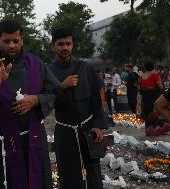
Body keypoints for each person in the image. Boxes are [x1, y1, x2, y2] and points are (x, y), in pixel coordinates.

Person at [0, 19, 59, 189]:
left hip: (33, 138)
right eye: (6, 41)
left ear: (22, 40)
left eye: (15, 41)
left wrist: (36, 100)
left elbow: (54, 91)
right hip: (3, 143)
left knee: (37, 180)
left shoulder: (36, 64)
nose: (12, 45)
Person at [49, 27, 106, 189]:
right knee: (68, 172)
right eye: (60, 44)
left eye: (68, 44)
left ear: (73, 45)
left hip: (89, 129)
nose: (65, 48)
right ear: (53, 46)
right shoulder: (48, 72)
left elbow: (97, 97)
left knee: (93, 171)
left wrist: (98, 125)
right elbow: (46, 100)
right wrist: (62, 86)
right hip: (64, 131)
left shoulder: (85, 68)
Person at [139, 61, 164, 136]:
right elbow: (160, 86)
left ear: (145, 67)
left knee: (147, 112)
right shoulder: (154, 75)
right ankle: (155, 130)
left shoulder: (142, 76)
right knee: (154, 112)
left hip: (145, 96)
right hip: (154, 95)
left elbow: (141, 87)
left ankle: (148, 130)